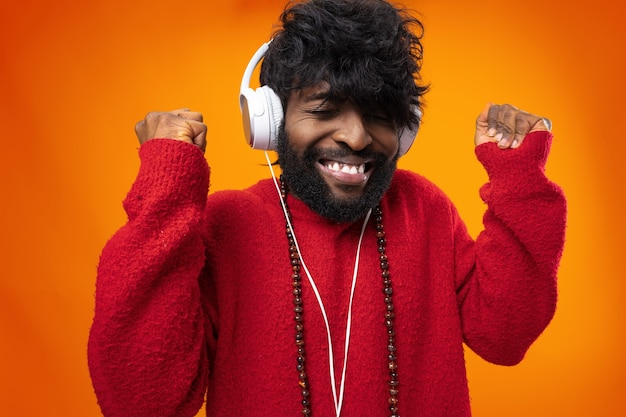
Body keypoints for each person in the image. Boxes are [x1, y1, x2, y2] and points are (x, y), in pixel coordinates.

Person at [87, 0, 566, 416]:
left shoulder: (426, 212)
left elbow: (504, 337)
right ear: (269, 121)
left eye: (379, 114)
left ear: (405, 130)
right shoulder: (227, 225)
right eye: (324, 108)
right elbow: (143, 402)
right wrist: (167, 183)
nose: (356, 137)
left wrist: (519, 179)